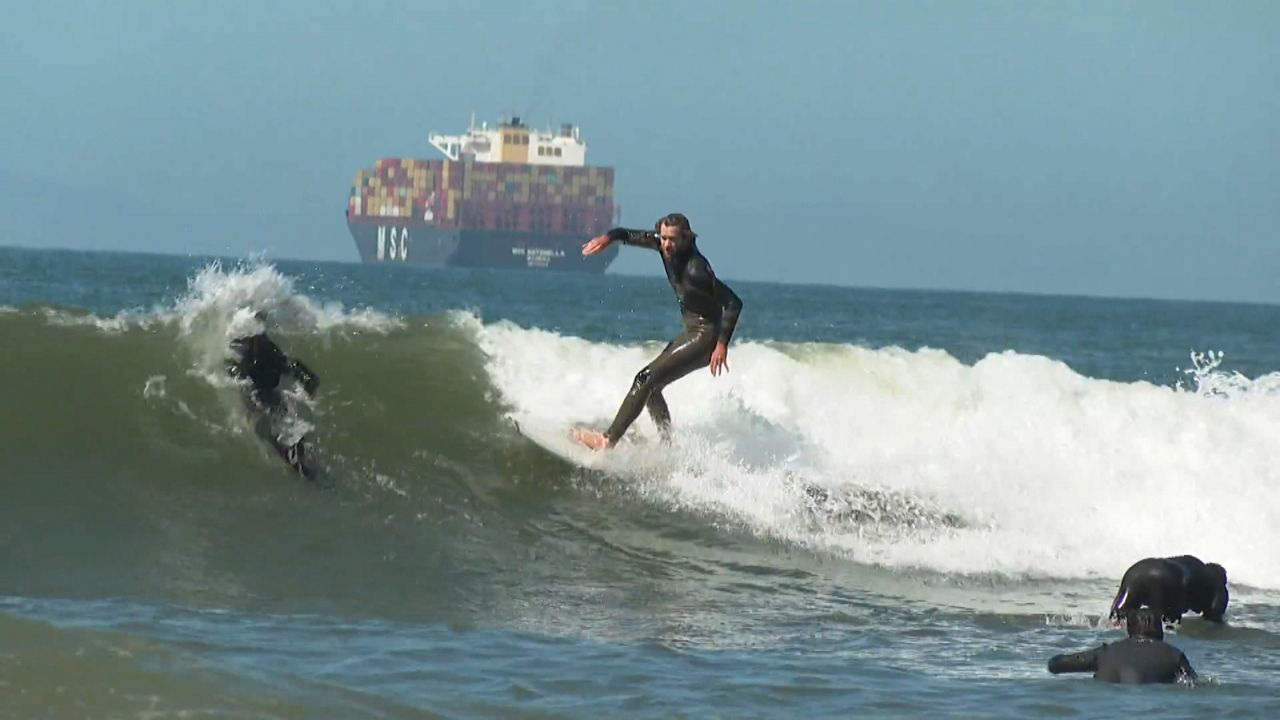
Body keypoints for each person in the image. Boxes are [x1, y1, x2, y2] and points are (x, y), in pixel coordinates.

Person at [575, 213, 743, 450]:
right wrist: (608, 238)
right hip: (693, 332)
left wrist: (722, 345)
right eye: (663, 238)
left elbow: (734, 303)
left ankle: (607, 440)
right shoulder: (663, 246)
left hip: (705, 337)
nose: (666, 244)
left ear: (685, 238)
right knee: (652, 389)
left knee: (643, 379)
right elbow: (627, 234)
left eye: (672, 240)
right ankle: (666, 446)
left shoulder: (697, 271)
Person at [225, 311, 320, 478]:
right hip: (269, 394)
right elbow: (290, 365)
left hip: (260, 395)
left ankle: (293, 454)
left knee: (270, 431)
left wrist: (231, 370)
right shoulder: (267, 346)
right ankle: (295, 452)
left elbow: (240, 370)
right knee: (279, 424)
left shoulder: (251, 346)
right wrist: (307, 379)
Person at [1048, 607, 1198, 684]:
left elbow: (1055, 665)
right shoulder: (1174, 656)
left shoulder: (1104, 653)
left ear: (1129, 630)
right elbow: (1194, 684)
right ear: (1160, 631)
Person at [1109, 555, 1229, 625]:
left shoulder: (1192, 564)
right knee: (1166, 627)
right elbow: (1215, 617)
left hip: (1138, 569)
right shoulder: (1216, 584)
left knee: (1116, 620)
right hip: (1168, 577)